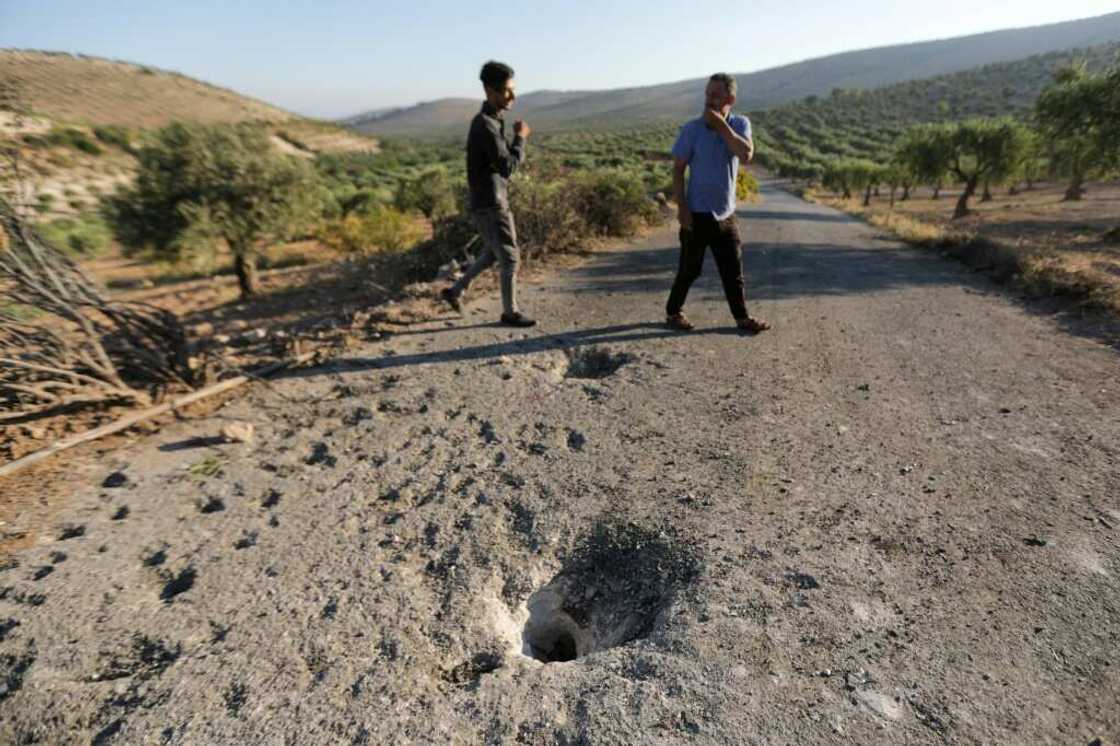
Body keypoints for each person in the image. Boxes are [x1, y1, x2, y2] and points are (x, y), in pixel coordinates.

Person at [665, 73, 770, 334]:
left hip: (726, 215)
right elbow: (678, 169)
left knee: (733, 271)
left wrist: (721, 126)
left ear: (730, 99)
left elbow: (745, 154)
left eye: (715, 95)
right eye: (707, 93)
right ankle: (673, 312)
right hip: (696, 213)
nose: (708, 99)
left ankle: (742, 318)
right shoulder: (692, 129)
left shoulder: (740, 124)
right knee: (689, 270)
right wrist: (682, 207)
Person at [442, 60, 536, 327]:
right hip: (492, 204)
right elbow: (507, 166)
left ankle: (455, 291)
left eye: (513, 89)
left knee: (493, 253)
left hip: (486, 202)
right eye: (507, 90)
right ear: (489, 91)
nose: (513, 96)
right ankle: (510, 313)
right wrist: (521, 138)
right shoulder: (486, 125)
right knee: (510, 257)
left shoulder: (491, 122)